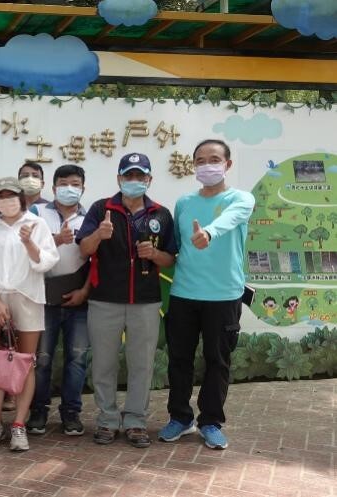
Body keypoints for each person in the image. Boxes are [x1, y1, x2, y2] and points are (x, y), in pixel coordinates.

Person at [76, 153, 177, 449]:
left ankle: (135, 421)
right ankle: (107, 420)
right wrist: (99, 234)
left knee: (141, 364)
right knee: (104, 364)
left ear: (149, 179)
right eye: (128, 176)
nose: (134, 181)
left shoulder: (161, 214)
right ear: (119, 178)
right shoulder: (100, 209)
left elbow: (170, 258)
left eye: (140, 176)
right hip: (105, 299)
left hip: (145, 301)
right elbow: (83, 248)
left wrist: (154, 255)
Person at [159, 139, 254, 450]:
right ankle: (180, 417)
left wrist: (209, 232)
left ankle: (211, 421)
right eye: (200, 160)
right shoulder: (184, 203)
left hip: (224, 296)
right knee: (180, 359)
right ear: (193, 166)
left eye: (214, 159)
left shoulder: (241, 198)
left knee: (217, 361)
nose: (206, 165)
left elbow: (228, 221)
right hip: (185, 293)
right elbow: (176, 248)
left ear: (227, 164)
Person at [0, 177, 59, 451]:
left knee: (26, 362)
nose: (6, 200)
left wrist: (29, 244)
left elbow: (47, 261)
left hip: (28, 298)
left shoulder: (37, 224)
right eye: (0, 196)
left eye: (11, 195)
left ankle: (19, 425)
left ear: (22, 198)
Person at [29, 164, 91, 437]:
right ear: (53, 188)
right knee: (41, 359)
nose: (69, 188)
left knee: (77, 358)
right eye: (63, 183)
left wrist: (85, 292)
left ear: (83, 188)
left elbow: (96, 261)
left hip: (80, 300)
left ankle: (71, 413)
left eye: (75, 184)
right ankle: (38, 410)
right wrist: (56, 239)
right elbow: (24, 250)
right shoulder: (36, 213)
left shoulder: (91, 218)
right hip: (43, 298)